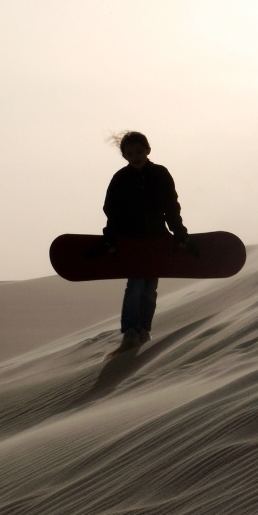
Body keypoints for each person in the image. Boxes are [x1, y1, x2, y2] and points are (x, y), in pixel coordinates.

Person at [99, 131, 190, 351]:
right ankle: (130, 332)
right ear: (124, 156)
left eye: (139, 151)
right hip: (131, 241)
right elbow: (112, 211)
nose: (135, 156)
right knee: (135, 285)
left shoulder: (160, 174)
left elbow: (171, 206)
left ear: (148, 150)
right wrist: (111, 239)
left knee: (149, 288)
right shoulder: (120, 178)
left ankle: (144, 330)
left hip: (157, 239)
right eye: (130, 153)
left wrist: (179, 233)